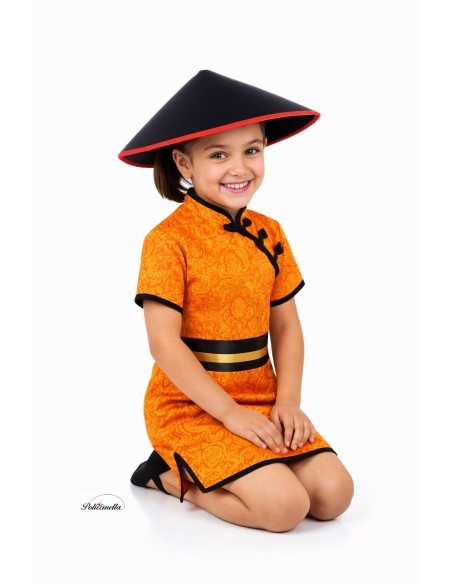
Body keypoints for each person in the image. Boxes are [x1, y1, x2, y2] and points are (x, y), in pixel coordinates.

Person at [118, 70, 354, 532]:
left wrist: (289, 401)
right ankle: (169, 476)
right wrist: (229, 415)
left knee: (333, 495)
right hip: (190, 406)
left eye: (252, 150)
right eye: (218, 154)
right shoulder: (167, 241)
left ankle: (254, 463)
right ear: (184, 163)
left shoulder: (271, 232)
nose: (240, 167)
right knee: (285, 508)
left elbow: (286, 326)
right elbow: (163, 343)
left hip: (261, 398)